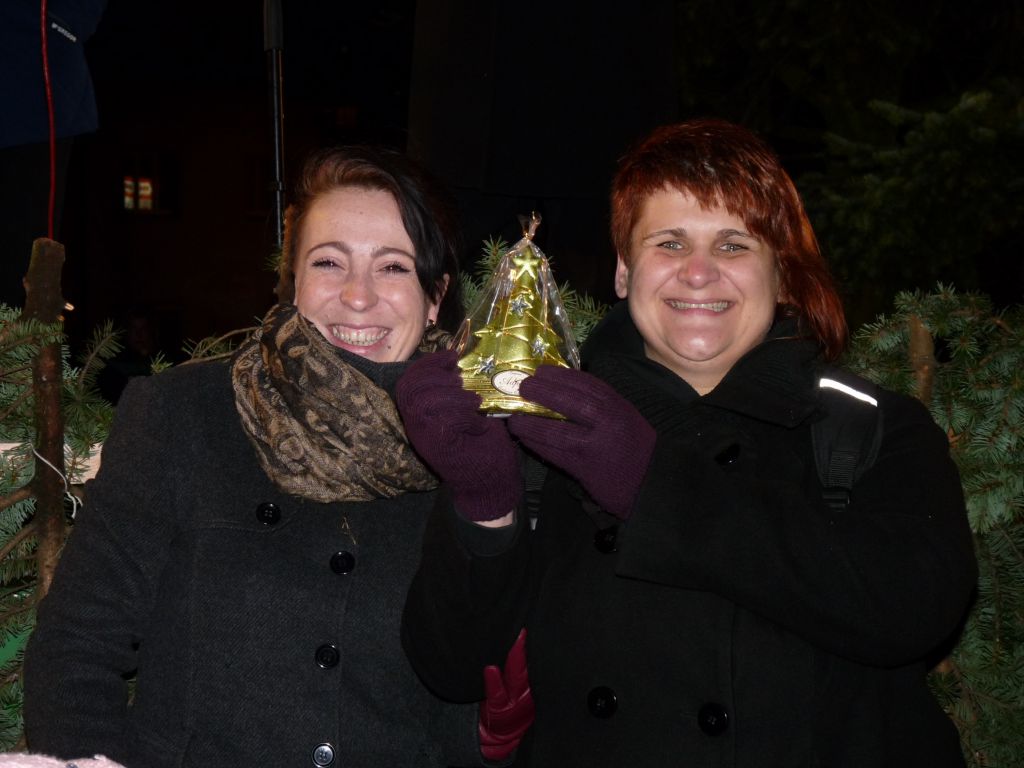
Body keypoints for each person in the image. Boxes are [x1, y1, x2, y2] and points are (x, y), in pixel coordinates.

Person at [394, 118, 979, 766]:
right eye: (669, 243)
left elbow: (913, 608)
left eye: (733, 245)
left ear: (782, 275)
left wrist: (652, 483)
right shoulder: (545, 433)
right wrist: (484, 506)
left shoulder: (863, 427)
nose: (698, 273)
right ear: (624, 272)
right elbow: (452, 668)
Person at [23, 145, 491, 767]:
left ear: (435, 296)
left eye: (393, 267)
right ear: (293, 281)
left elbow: (472, 697)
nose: (358, 296)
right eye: (329, 262)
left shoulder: (475, 453)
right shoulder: (184, 414)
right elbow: (78, 646)